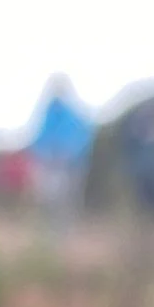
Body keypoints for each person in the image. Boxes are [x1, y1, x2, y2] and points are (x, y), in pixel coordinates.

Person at [26, 77, 96, 226]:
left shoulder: (74, 114)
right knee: (48, 198)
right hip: (50, 164)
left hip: (70, 165)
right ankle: (48, 230)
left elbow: (82, 138)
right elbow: (38, 138)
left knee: (67, 200)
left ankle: (65, 231)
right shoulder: (47, 114)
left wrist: (69, 153)